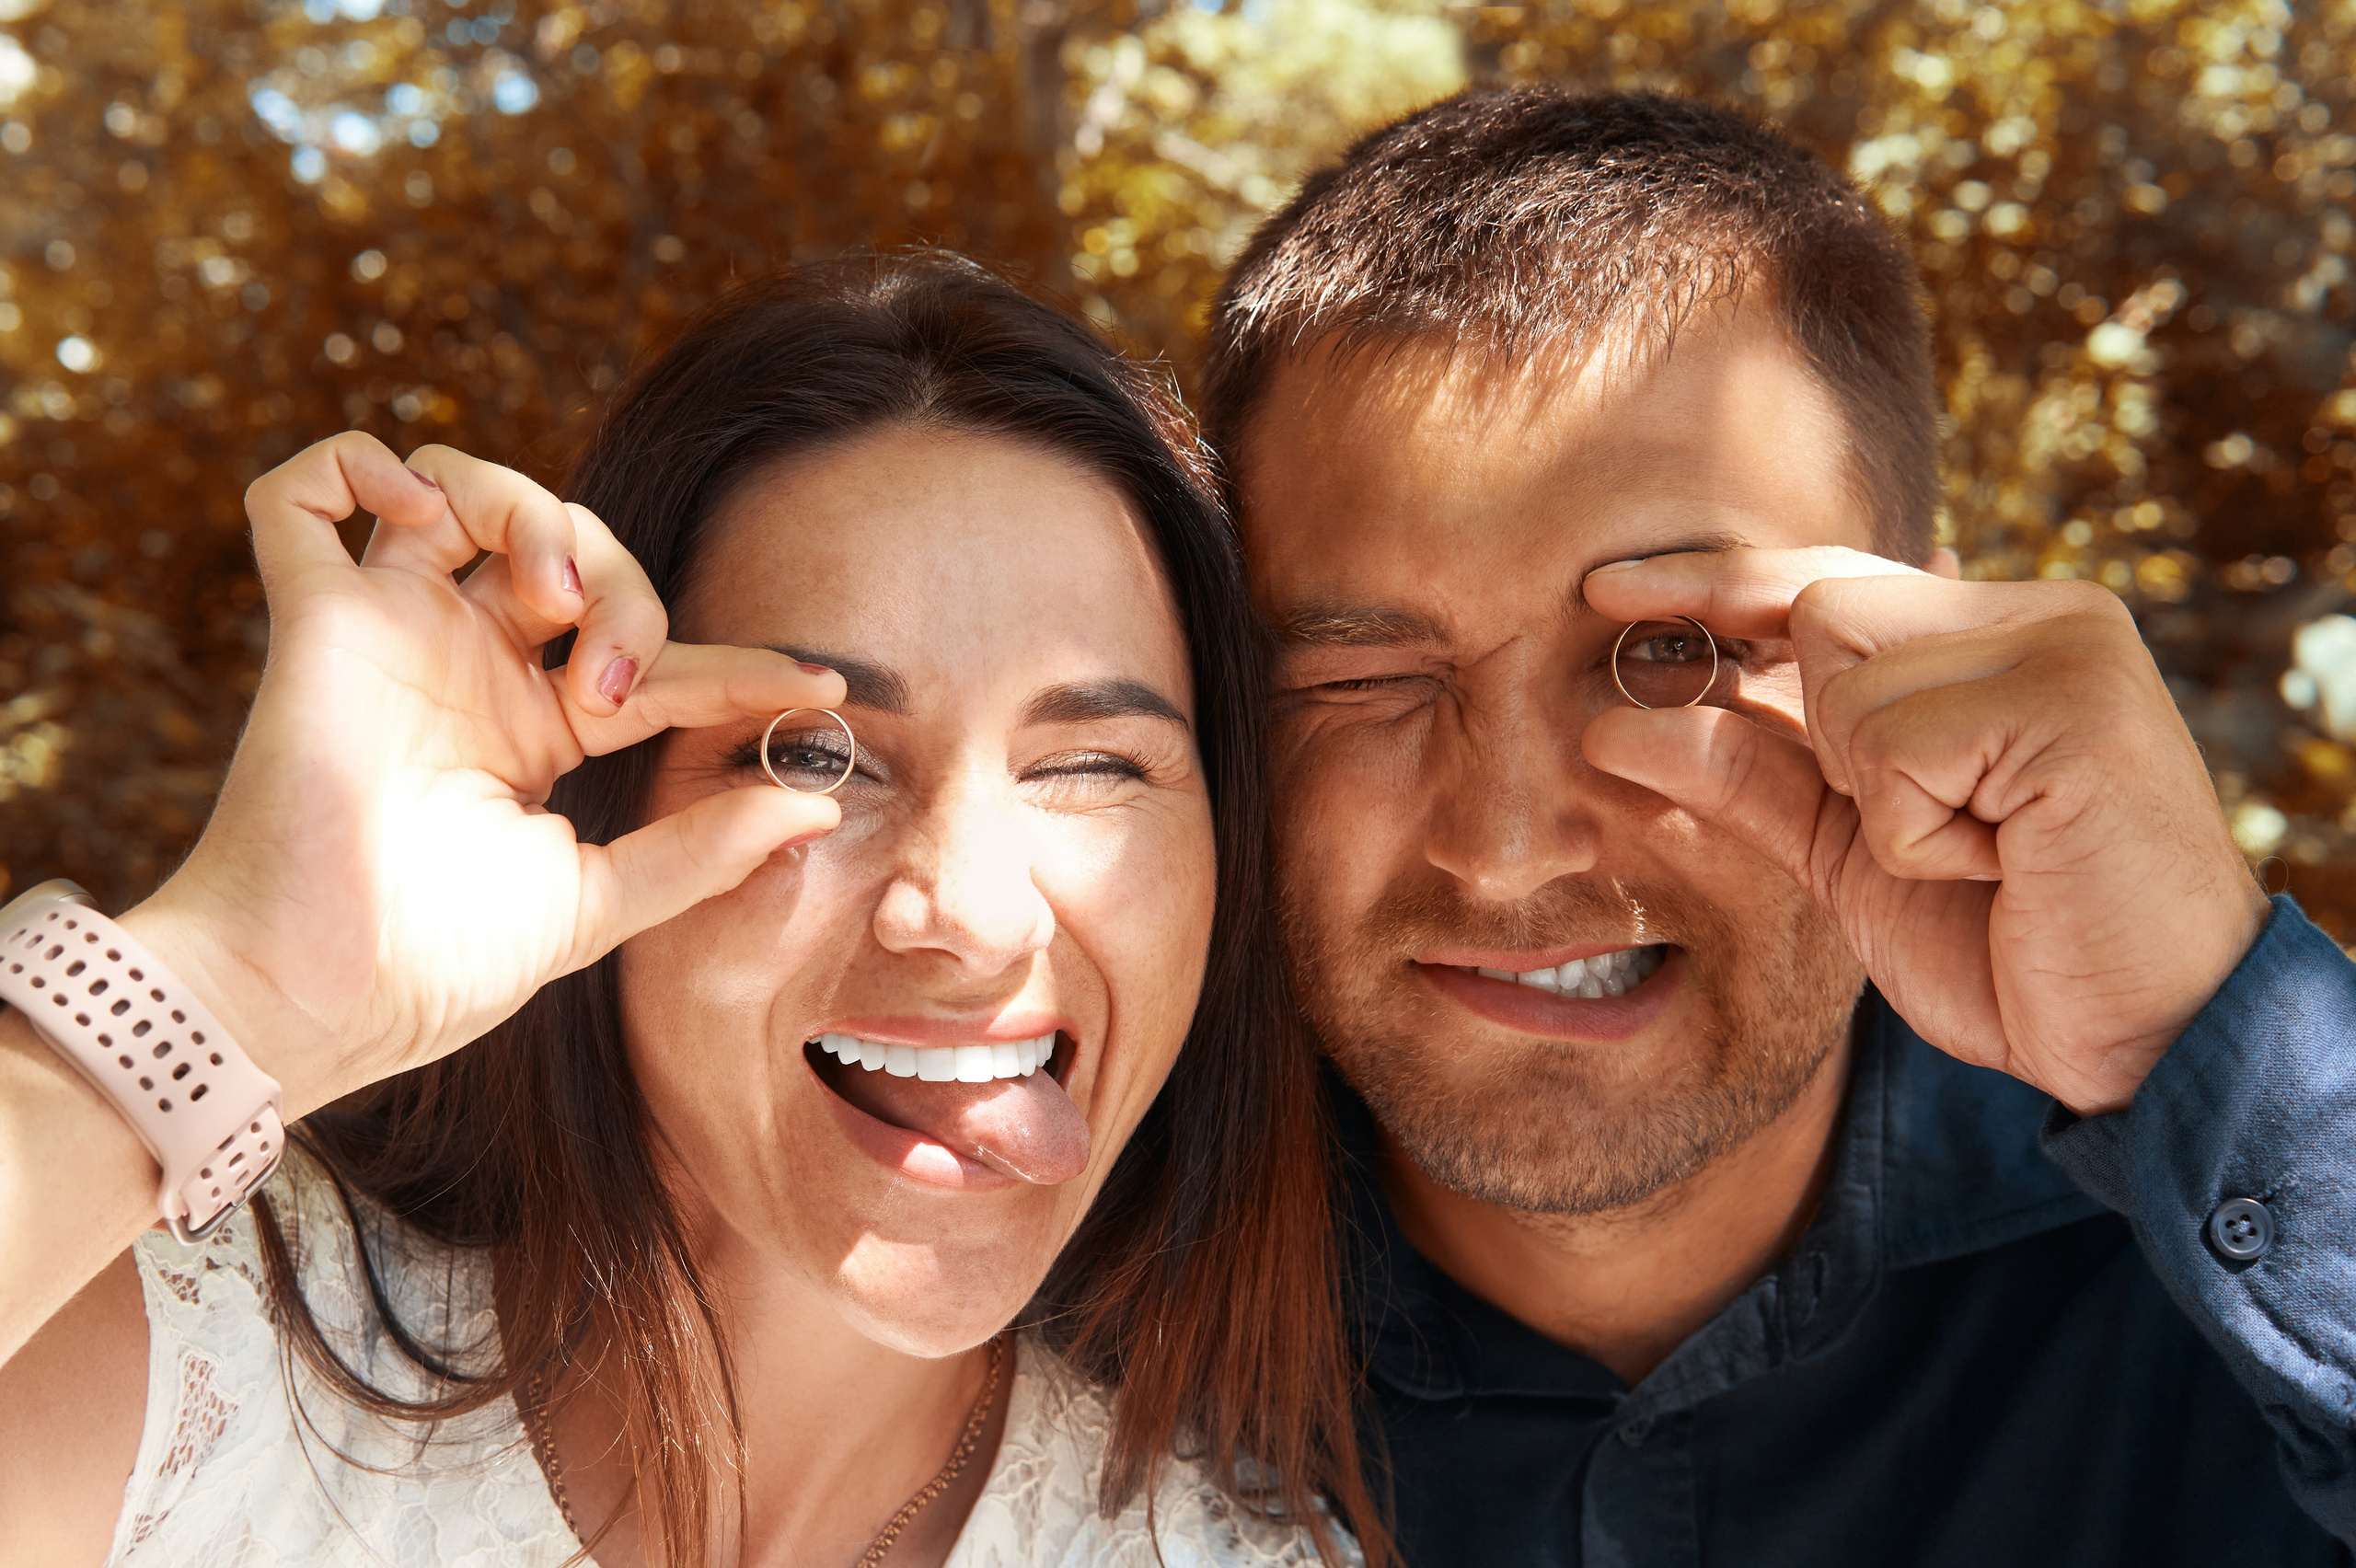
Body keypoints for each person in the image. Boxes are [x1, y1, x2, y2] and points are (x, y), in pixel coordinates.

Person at [0, 255, 1380, 1566]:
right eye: (814, 755)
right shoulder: (173, 1363)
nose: (972, 911)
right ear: (604, 803)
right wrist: (243, 979)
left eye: (1089, 766)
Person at [1201, 87, 2356, 1565]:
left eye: (1673, 651)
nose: (1505, 849)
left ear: (1930, 637)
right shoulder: (1064, 1290)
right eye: (1364, 681)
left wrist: (2191, 1044)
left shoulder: (2224, 1281)